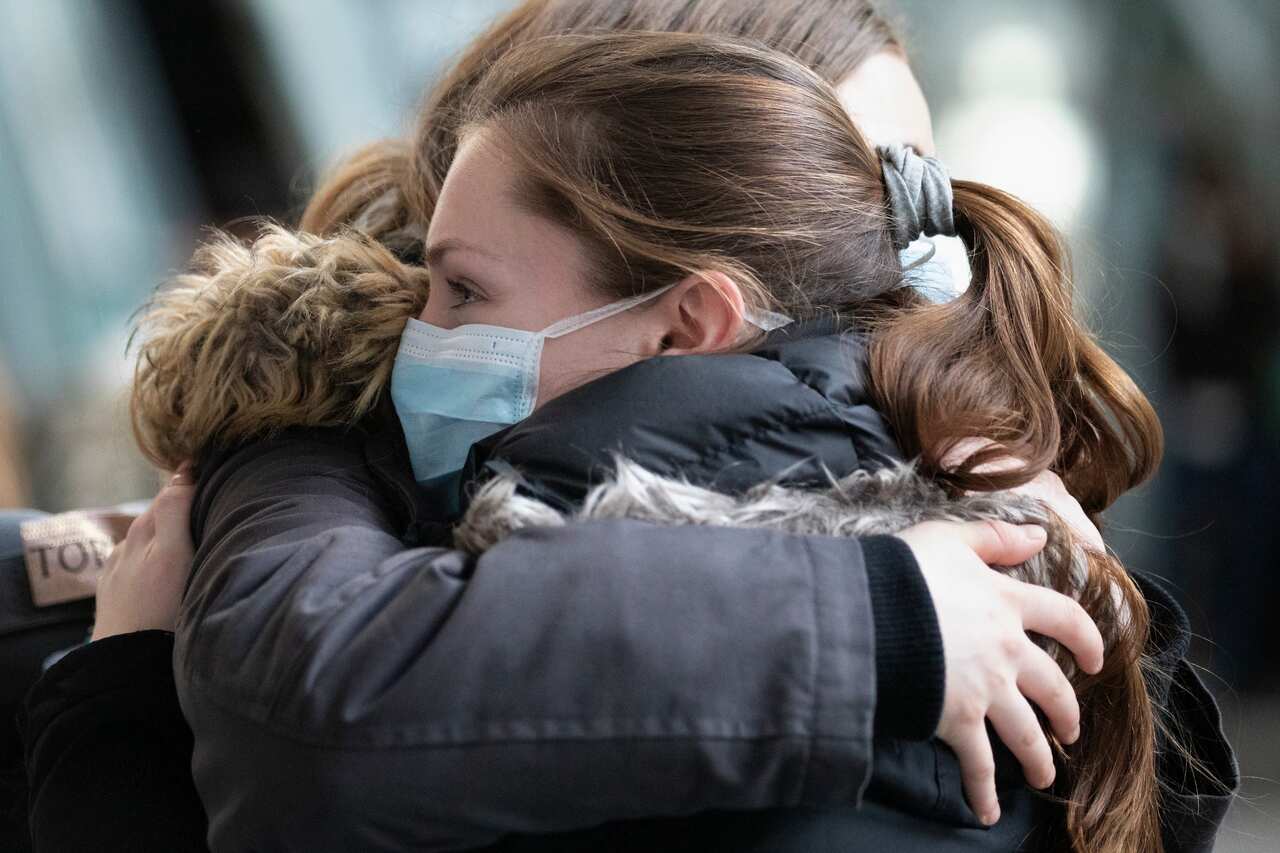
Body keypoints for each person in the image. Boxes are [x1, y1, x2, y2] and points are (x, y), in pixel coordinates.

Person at [18, 3, 1236, 852]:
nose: (858, 239)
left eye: (466, 289)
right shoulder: (527, 512)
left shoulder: (872, 589)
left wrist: (120, 717)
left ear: (690, 312)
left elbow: (317, 701)